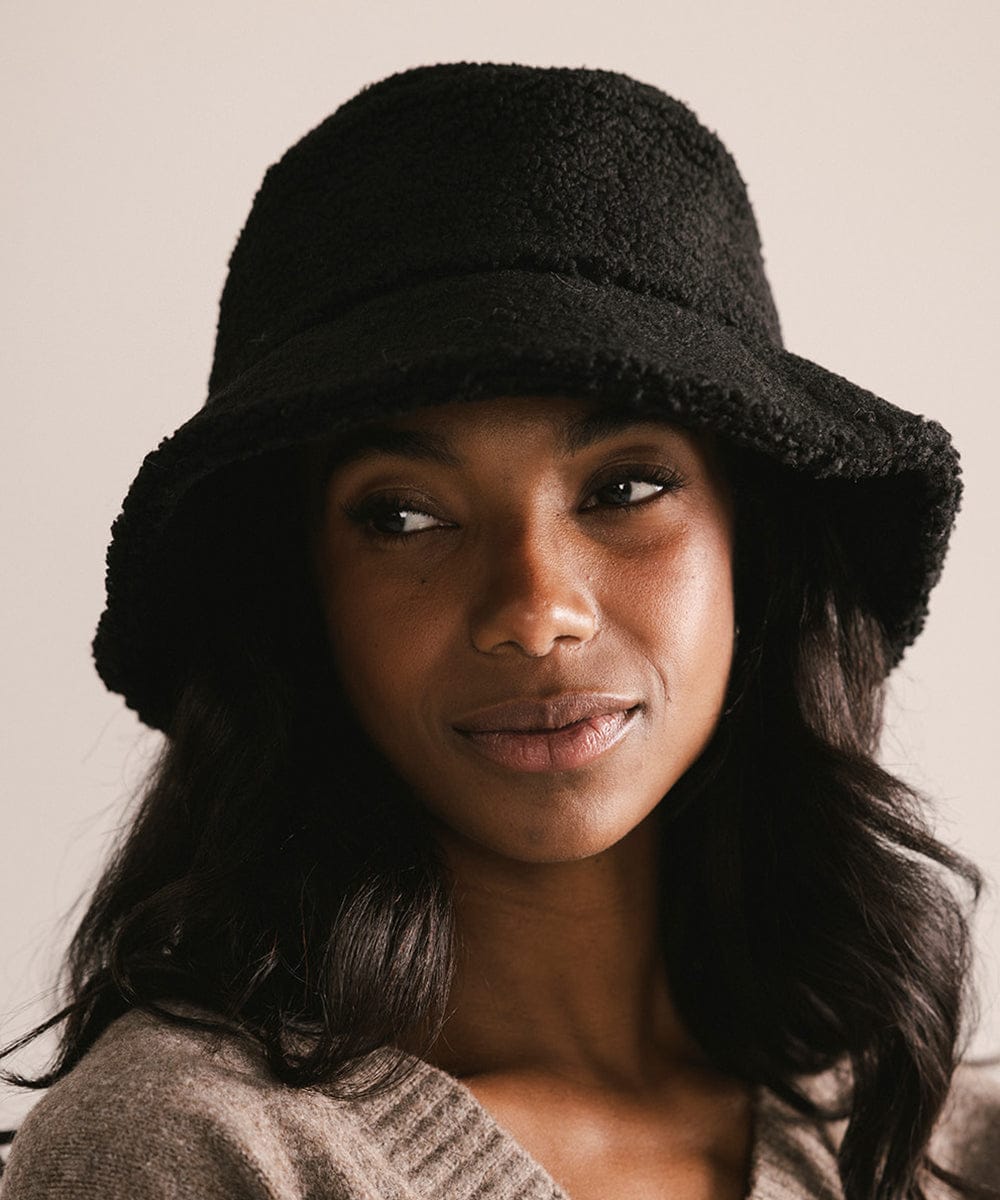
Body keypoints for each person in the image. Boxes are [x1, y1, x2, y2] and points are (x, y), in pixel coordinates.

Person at [0, 60, 997, 1200]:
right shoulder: (192, 1150)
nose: (533, 612)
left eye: (623, 489)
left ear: (753, 550)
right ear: (302, 597)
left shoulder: (943, 1143)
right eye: (404, 516)